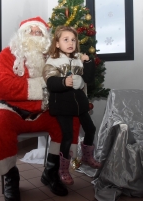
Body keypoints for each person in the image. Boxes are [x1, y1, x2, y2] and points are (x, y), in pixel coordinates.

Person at [0, 17, 80, 201]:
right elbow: (3, 88)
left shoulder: (53, 58)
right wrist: (43, 85)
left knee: (71, 121)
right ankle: (11, 177)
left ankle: (52, 172)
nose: (35, 35)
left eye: (39, 32)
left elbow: (63, 84)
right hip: (12, 111)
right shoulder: (6, 55)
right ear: (21, 35)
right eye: (30, 31)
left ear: (45, 37)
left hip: (45, 111)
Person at [42, 25, 101, 185]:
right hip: (62, 105)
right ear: (57, 44)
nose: (70, 43)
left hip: (79, 104)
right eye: (66, 39)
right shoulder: (52, 61)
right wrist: (63, 81)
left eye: (73, 40)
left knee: (91, 129)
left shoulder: (77, 60)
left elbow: (88, 79)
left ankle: (87, 156)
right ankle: (63, 169)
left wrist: (88, 62)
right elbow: (51, 82)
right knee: (67, 136)